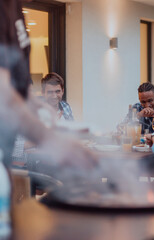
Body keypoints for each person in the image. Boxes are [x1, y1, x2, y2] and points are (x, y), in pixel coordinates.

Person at [0, 0, 97, 169]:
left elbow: (19, 89)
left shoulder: (15, 8)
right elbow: (4, 94)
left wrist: (39, 107)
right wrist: (53, 140)